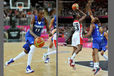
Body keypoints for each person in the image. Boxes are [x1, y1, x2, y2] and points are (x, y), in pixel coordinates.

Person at [5, 7, 52, 73]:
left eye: (43, 14)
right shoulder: (34, 19)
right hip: (30, 35)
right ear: (38, 14)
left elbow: (48, 29)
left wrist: (49, 33)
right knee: (32, 47)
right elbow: (30, 30)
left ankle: (12, 60)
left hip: (36, 37)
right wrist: (36, 37)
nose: (42, 15)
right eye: (41, 14)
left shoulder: (45, 20)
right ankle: (28, 67)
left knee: (26, 51)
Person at [83, 1, 106, 75]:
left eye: (92, 18)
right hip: (100, 39)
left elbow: (89, 33)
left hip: (96, 40)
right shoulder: (96, 23)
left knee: (95, 54)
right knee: (93, 54)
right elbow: (90, 14)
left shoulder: (92, 25)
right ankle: (95, 66)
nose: (91, 18)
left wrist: (83, 36)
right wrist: (89, 5)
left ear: (94, 20)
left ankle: (97, 67)